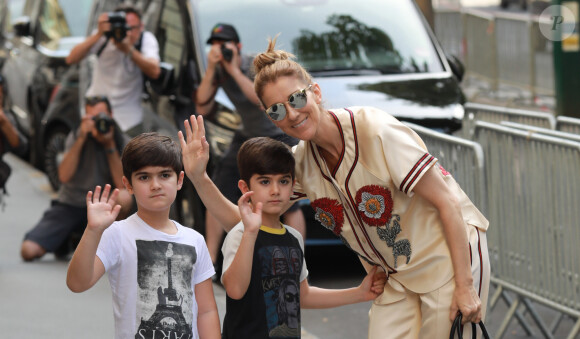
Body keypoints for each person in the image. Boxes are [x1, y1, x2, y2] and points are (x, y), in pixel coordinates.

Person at [179, 36, 491, 339]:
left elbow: (447, 202)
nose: (291, 113)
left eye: (297, 98)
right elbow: (251, 220)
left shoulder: (373, 129)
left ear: (314, 91)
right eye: (276, 110)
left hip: (448, 259)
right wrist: (199, 177)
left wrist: (465, 285)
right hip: (396, 276)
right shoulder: (301, 162)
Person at [219, 137, 385, 338]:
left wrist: (359, 293)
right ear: (245, 188)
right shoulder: (241, 234)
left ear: (293, 185)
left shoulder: (293, 237)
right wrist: (250, 233)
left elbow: (302, 295)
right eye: (265, 181)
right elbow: (235, 290)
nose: (275, 190)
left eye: (283, 181)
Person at [66, 132, 220, 339]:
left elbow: (206, 310)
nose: (155, 185)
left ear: (179, 180)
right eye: (144, 177)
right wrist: (92, 230)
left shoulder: (195, 240)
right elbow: (77, 283)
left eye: (164, 175)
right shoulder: (117, 233)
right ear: (128, 184)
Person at [196, 23, 305, 274]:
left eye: (225, 44)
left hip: (278, 134)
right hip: (247, 135)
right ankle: (211, 260)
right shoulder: (218, 70)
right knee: (219, 187)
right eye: (214, 44)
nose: (219, 49)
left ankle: (297, 260)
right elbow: (201, 105)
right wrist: (213, 69)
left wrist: (234, 70)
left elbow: (262, 103)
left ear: (238, 46)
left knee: (291, 200)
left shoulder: (252, 65)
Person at [20, 96, 131, 261]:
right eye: (92, 118)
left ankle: (104, 244)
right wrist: (80, 139)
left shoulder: (121, 140)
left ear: (111, 115)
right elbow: (63, 176)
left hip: (103, 206)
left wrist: (109, 146)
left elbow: (122, 184)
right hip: (70, 204)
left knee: (125, 197)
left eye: (102, 116)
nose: (98, 122)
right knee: (28, 250)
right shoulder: (77, 135)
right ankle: (69, 239)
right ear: (85, 117)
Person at [66, 3, 160, 134]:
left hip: (129, 119)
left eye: (133, 28)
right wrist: (98, 34)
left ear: (141, 27)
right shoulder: (104, 37)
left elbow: (155, 71)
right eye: (124, 28)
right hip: (96, 112)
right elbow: (71, 58)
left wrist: (129, 50)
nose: (128, 33)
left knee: (130, 153)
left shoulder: (146, 40)